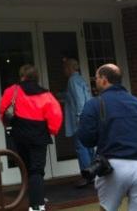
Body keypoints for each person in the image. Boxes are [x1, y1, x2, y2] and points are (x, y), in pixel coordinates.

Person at [77, 64, 137, 211]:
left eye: (96, 78)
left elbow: (86, 138)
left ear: (104, 80)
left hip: (112, 166)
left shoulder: (94, 104)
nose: (95, 81)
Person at [0, 64, 62, 211]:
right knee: (37, 170)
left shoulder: (12, 91)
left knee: (27, 168)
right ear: (36, 77)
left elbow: (3, 111)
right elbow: (55, 114)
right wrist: (52, 130)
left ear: (22, 76)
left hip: (19, 135)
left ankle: (36, 198)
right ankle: (37, 205)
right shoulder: (46, 94)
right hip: (39, 136)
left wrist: (7, 126)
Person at [62, 57, 94, 187]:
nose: (64, 71)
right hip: (88, 116)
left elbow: (79, 99)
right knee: (89, 146)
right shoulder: (81, 79)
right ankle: (94, 173)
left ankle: (87, 176)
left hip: (80, 119)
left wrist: (80, 117)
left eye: (65, 68)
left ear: (69, 68)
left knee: (81, 148)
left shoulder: (72, 80)